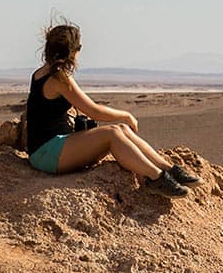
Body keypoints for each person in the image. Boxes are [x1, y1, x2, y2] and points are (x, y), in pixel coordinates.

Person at [25, 21, 200, 197]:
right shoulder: (59, 79)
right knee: (112, 134)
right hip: (47, 153)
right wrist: (126, 115)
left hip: (52, 146)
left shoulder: (41, 73)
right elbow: (93, 110)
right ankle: (157, 178)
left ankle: (170, 169)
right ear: (71, 51)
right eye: (78, 47)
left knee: (121, 129)